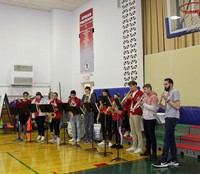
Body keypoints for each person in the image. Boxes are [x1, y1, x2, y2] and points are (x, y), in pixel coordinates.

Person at [153, 78, 180, 168]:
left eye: (166, 84)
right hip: (168, 117)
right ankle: (174, 159)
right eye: (164, 84)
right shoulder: (168, 94)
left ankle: (163, 161)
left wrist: (167, 100)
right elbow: (167, 108)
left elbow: (177, 106)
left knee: (166, 139)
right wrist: (160, 104)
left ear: (171, 84)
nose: (164, 86)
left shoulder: (175, 91)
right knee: (171, 139)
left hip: (172, 118)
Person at [140, 84, 158, 159]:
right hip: (145, 118)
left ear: (150, 89)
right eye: (143, 89)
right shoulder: (146, 97)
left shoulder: (154, 97)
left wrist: (143, 104)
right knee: (147, 136)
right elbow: (144, 107)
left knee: (151, 136)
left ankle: (154, 154)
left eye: (145, 89)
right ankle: (148, 151)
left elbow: (153, 108)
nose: (144, 91)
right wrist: (141, 103)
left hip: (151, 119)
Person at [125, 80, 144, 154]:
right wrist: (127, 99)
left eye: (131, 86)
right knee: (132, 131)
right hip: (130, 113)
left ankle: (140, 147)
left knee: (138, 130)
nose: (130, 88)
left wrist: (130, 98)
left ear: (135, 85)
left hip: (137, 112)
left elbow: (139, 102)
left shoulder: (140, 93)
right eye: (130, 86)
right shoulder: (131, 93)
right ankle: (134, 145)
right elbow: (128, 104)